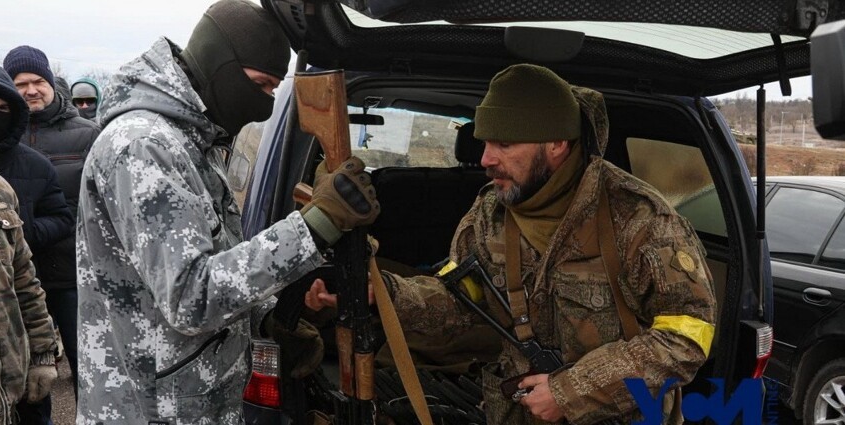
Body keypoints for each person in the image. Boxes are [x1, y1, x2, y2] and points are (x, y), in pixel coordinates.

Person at [306, 64, 717, 424]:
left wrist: (570, 392)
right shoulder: (490, 211)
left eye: (504, 143)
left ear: (556, 144)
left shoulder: (640, 219)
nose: (485, 160)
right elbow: (460, 299)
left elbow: (686, 338)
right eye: (485, 142)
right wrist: (386, 295)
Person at [74, 0, 379, 423]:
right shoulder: (143, 147)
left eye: (275, 89)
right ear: (219, 64)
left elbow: (216, 260)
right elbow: (191, 298)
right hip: (149, 410)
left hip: (190, 403)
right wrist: (316, 225)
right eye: (261, 85)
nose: (266, 104)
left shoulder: (194, 143)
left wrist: (270, 317)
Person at [3, 45, 100, 412]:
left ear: (50, 83)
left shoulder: (87, 134)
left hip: (72, 276)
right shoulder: (3, 138)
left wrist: (30, 232)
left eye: (37, 81)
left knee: (89, 370)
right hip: (17, 282)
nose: (31, 90)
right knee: (32, 379)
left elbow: (97, 206)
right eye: (21, 83)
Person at [0, 63, 60, 425]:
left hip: (11, 393)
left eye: (1, 109)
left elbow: (25, 283)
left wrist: (43, 356)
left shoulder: (2, 191)